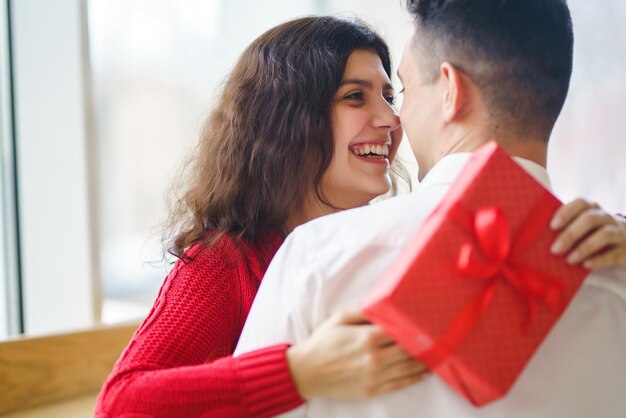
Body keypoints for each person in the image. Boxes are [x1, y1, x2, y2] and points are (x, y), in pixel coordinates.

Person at [234, 1, 626, 417]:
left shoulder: (319, 257)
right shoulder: (615, 274)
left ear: (451, 92)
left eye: (401, 91)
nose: (394, 117)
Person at [95, 16, 428, 418]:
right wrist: (301, 374)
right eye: (356, 97)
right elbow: (120, 405)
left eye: (390, 97)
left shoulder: (383, 246)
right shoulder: (224, 263)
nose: (392, 120)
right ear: (287, 122)